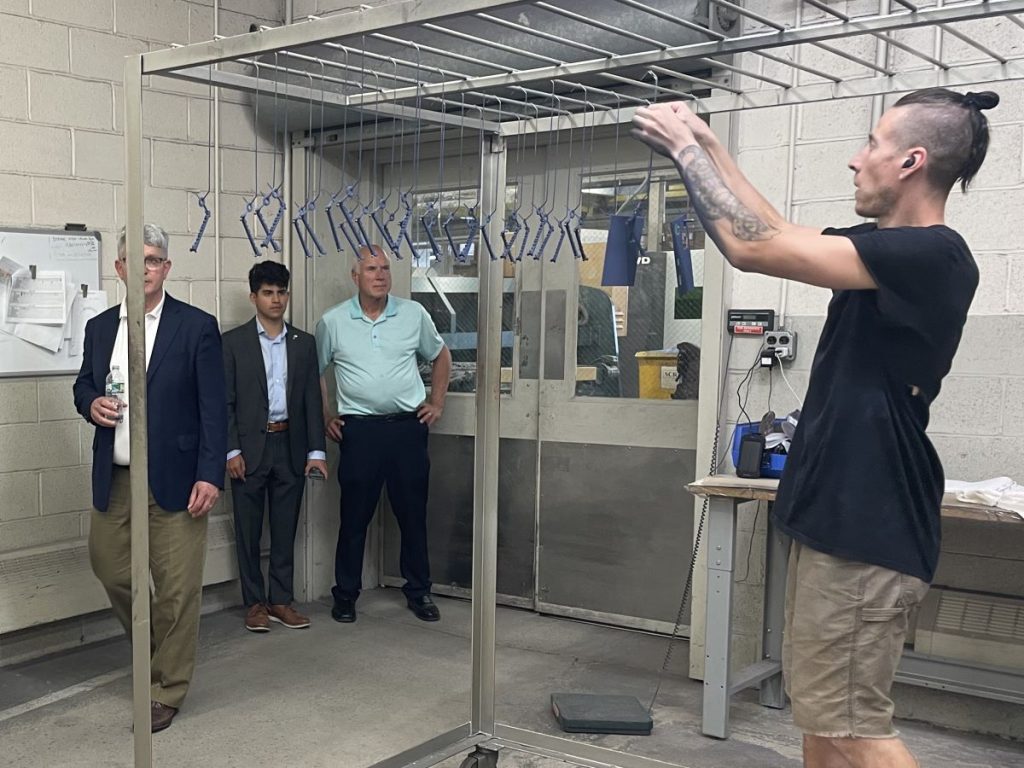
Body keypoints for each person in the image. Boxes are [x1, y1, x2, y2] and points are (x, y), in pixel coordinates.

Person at [633, 88, 998, 768]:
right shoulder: (884, 251)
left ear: (912, 162)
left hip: (869, 527)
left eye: (872, 146)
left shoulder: (935, 255)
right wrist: (711, 144)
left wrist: (683, 149)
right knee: (824, 718)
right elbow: (773, 227)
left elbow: (751, 247)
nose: (856, 162)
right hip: (837, 519)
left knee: (857, 731)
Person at [73, 223, 226, 733]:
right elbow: (83, 385)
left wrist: (211, 474)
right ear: (118, 269)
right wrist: (89, 402)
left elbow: (213, 408)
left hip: (178, 479)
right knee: (111, 568)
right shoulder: (99, 328)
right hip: (115, 478)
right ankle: (159, 650)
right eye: (135, 261)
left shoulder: (196, 326)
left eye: (155, 260)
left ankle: (168, 687)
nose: (145, 268)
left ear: (166, 268)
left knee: (178, 589)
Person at [315, 244, 452, 624]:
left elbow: (440, 356)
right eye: (371, 269)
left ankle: (419, 591)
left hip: (408, 430)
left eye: (385, 269)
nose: (380, 276)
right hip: (359, 433)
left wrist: (436, 401)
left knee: (413, 516)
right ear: (355, 276)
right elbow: (313, 371)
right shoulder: (333, 321)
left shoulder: (413, 314)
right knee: (354, 517)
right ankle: (345, 596)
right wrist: (326, 415)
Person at [222, 261, 328, 633]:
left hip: (290, 445)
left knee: (285, 528)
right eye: (268, 292)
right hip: (250, 448)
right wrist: (231, 450)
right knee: (248, 531)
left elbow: (312, 401)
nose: (276, 299)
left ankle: (280, 600)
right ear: (254, 297)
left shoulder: (303, 343)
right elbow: (226, 402)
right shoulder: (232, 343)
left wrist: (317, 451)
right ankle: (255, 603)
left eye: (282, 291)